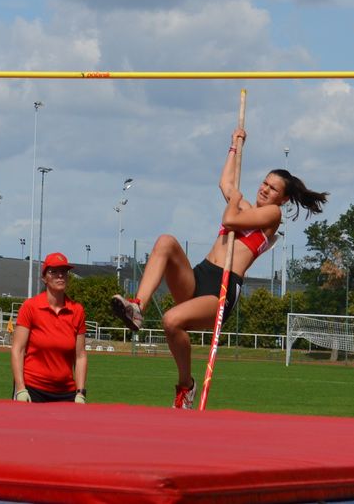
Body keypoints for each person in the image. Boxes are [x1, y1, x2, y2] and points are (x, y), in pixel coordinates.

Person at [110, 125, 328, 408]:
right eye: (264, 183)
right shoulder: (244, 206)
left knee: (171, 321)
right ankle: (138, 307)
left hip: (222, 288)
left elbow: (229, 220)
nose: (264, 189)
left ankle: (185, 386)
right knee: (165, 242)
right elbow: (225, 183)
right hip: (200, 274)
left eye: (273, 188)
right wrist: (234, 145)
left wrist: (234, 201)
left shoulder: (272, 215)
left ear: (283, 198)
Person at [11, 252, 88, 403]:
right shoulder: (30, 307)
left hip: (66, 392)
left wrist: (80, 392)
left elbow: (80, 356)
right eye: (54, 271)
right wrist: (20, 388)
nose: (60, 275)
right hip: (32, 388)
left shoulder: (77, 310)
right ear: (44, 278)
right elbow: (17, 349)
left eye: (64, 271)